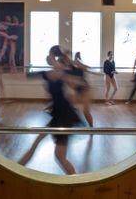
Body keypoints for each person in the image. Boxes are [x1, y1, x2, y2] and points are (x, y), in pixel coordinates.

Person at [19, 46, 86, 175]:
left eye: (51, 55)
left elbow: (80, 84)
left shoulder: (63, 74)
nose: (49, 57)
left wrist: (72, 80)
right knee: (37, 143)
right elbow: (26, 76)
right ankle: (16, 170)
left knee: (60, 156)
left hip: (65, 118)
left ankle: (77, 182)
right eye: (49, 56)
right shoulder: (47, 74)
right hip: (57, 116)